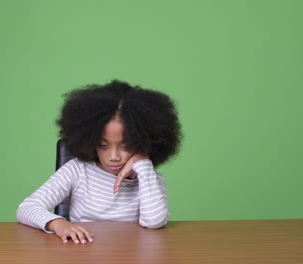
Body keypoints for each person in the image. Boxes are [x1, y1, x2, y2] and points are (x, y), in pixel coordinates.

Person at [16, 80, 182, 244]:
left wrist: (143, 163)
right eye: (103, 145)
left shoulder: (149, 178)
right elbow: (26, 208)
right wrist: (58, 224)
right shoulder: (77, 171)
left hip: (131, 256)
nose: (113, 156)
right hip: (82, 253)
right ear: (90, 140)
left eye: (126, 146)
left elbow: (154, 222)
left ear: (143, 142)